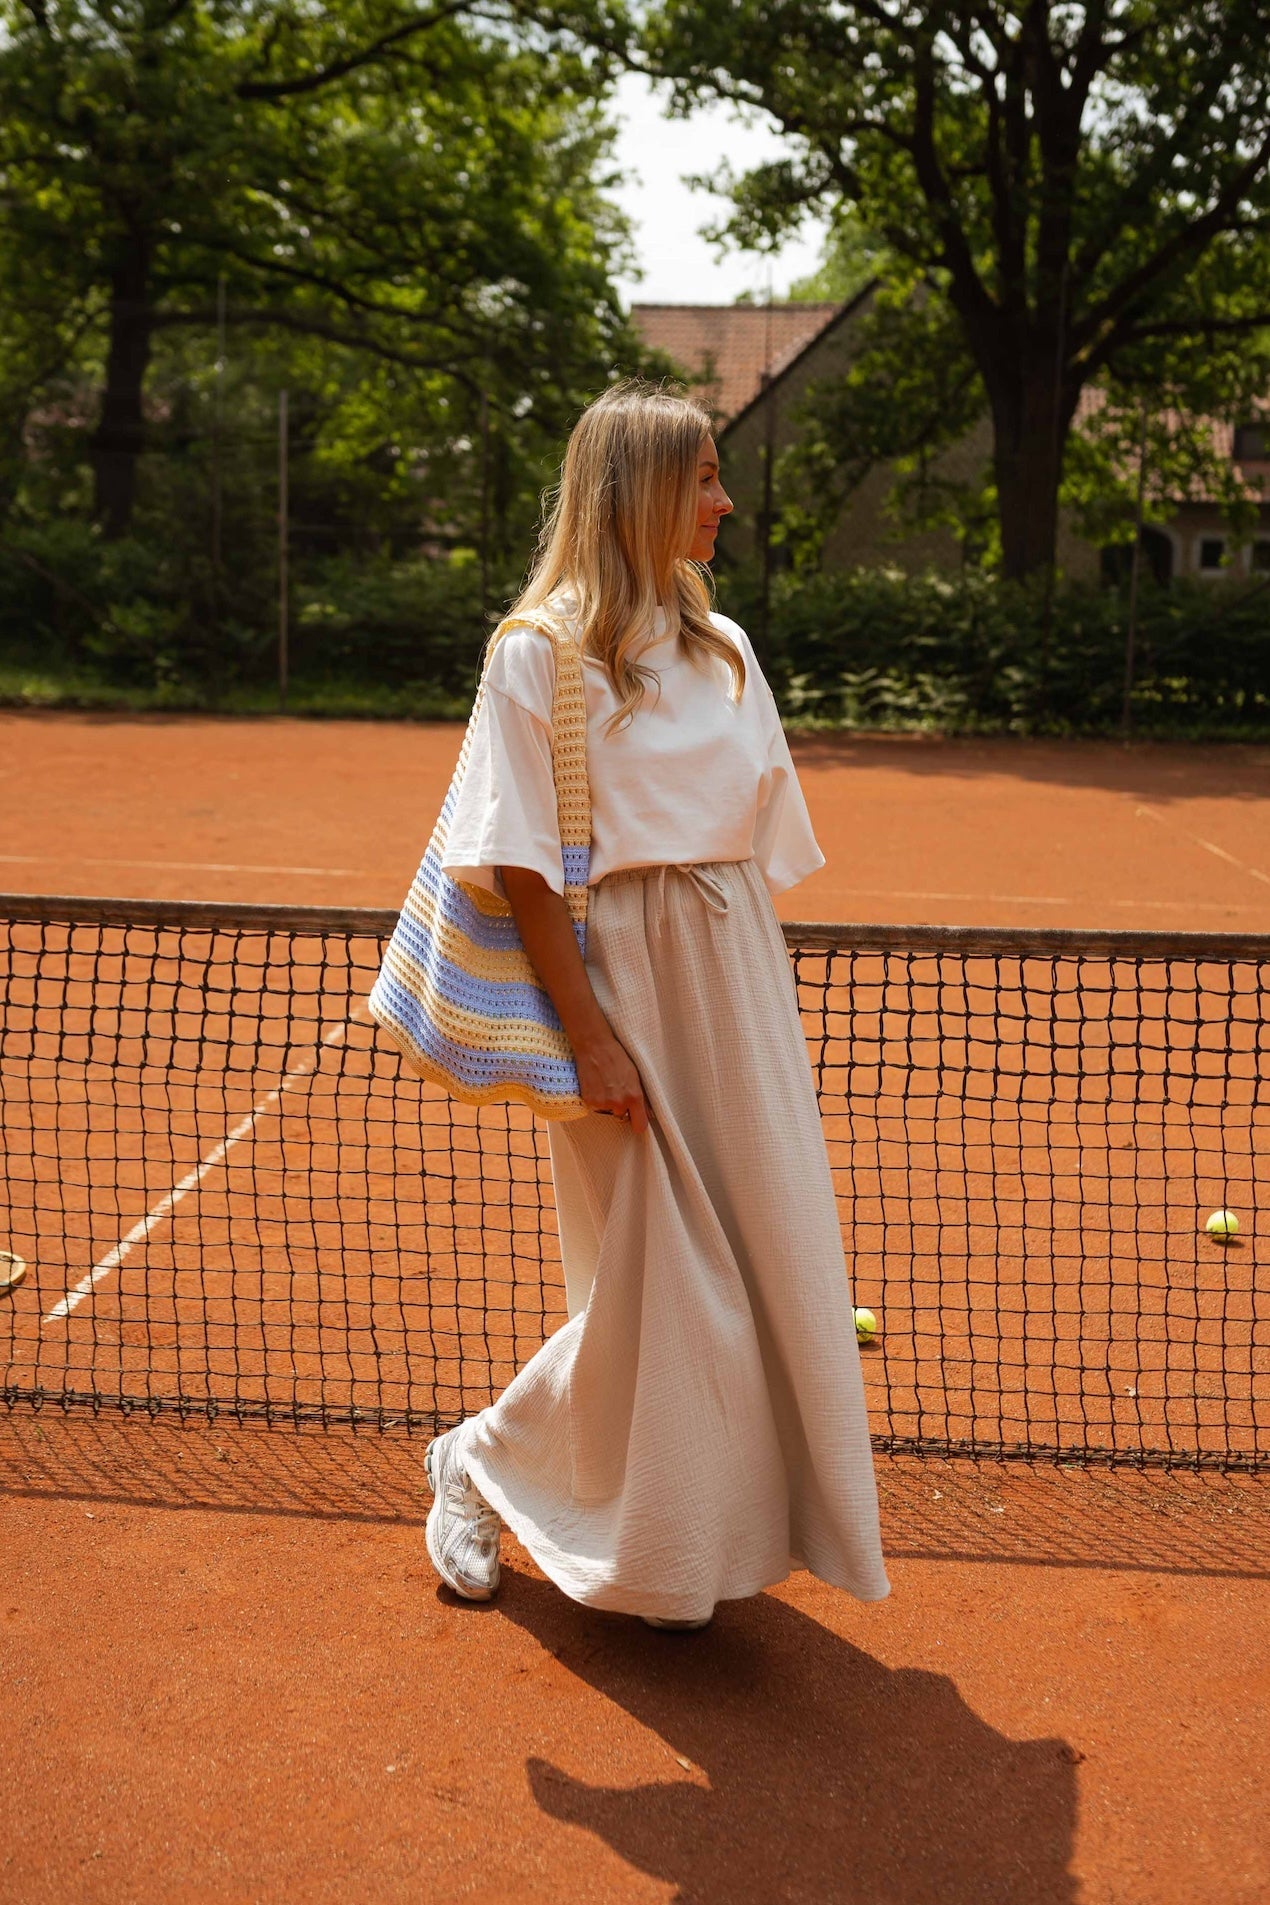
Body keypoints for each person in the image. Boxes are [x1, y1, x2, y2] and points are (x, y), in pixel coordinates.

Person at [424, 379, 890, 1631]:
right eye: (703, 479)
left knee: (766, 1267)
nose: (723, 502)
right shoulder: (537, 654)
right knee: (666, 1289)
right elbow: (520, 863)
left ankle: (689, 1542)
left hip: (737, 981)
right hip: (619, 988)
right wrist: (590, 1035)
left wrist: (739, 995)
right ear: (634, 493)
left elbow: (750, 847)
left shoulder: (724, 647)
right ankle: (478, 1457)